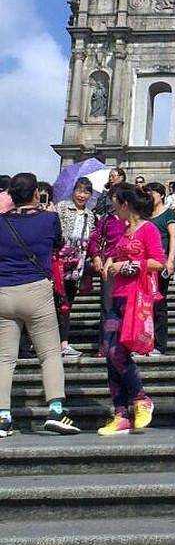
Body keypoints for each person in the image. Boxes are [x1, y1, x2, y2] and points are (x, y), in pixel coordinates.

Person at [0, 172, 80, 437]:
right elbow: (58, 244)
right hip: (37, 290)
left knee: (4, 358)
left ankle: (3, 417)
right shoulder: (49, 219)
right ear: (36, 193)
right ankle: (56, 411)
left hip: (4, 292)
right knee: (49, 355)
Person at [98, 184, 165, 436]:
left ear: (125, 204)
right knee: (111, 353)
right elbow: (117, 256)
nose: (113, 206)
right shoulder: (126, 230)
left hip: (136, 298)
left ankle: (140, 399)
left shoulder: (148, 229)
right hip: (117, 297)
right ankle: (120, 413)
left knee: (117, 352)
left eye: (115, 201)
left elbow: (157, 261)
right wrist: (109, 261)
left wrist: (125, 267)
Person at [55, 177, 96, 361]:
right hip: (58, 263)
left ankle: (63, 343)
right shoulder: (62, 207)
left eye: (86, 192)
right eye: (79, 190)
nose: (82, 195)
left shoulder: (90, 215)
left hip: (76, 266)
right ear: (73, 191)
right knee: (54, 302)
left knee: (67, 304)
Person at [88, 190, 127, 355]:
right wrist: (96, 256)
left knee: (126, 308)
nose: (115, 200)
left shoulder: (134, 220)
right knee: (108, 308)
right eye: (113, 196)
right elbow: (94, 238)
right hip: (109, 268)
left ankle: (126, 343)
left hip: (128, 267)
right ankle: (106, 343)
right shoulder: (106, 220)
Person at [146, 182, 175, 358]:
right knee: (143, 305)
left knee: (159, 304)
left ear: (161, 195)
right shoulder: (144, 214)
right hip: (144, 265)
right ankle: (144, 341)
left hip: (160, 263)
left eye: (152, 193)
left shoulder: (168, 214)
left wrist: (171, 260)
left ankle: (159, 344)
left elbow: (173, 236)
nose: (150, 196)